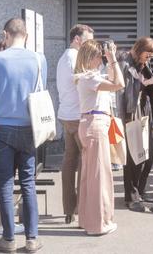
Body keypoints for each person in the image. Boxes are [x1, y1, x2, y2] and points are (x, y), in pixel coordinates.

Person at [0, 17, 48, 254]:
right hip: (30, 127)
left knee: (5, 183)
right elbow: (41, 91)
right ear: (26, 35)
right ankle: (32, 238)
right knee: (28, 182)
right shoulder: (39, 59)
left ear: (5, 34)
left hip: (2, 126)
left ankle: (8, 238)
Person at [74, 39, 124, 237]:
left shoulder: (88, 77)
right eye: (98, 55)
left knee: (90, 176)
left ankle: (87, 220)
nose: (100, 58)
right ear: (90, 57)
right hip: (95, 124)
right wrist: (112, 59)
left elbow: (113, 80)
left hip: (90, 123)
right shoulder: (89, 78)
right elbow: (119, 84)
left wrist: (111, 59)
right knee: (99, 177)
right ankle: (98, 224)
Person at [54, 24, 93, 226]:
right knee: (85, 163)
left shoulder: (64, 58)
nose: (90, 44)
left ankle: (69, 209)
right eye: (87, 40)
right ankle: (81, 209)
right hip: (77, 115)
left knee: (69, 162)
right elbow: (83, 83)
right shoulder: (75, 57)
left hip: (66, 114)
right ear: (77, 39)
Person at [120, 36, 153, 211]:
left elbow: (146, 87)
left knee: (147, 156)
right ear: (139, 50)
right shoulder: (125, 63)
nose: (149, 59)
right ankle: (131, 196)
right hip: (131, 113)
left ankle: (140, 190)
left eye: (151, 56)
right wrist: (148, 82)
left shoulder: (142, 65)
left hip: (144, 111)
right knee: (133, 157)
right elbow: (126, 90)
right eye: (148, 55)